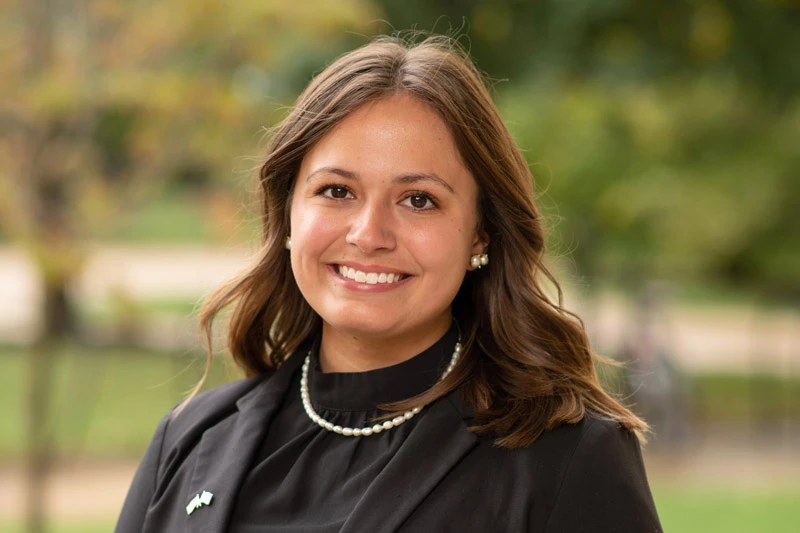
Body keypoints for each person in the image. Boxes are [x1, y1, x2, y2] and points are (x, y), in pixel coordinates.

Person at [115, 34, 663, 532]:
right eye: (336, 191)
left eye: (418, 200)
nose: (368, 234)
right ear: (286, 214)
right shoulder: (190, 441)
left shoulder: (566, 458)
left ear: (480, 234)